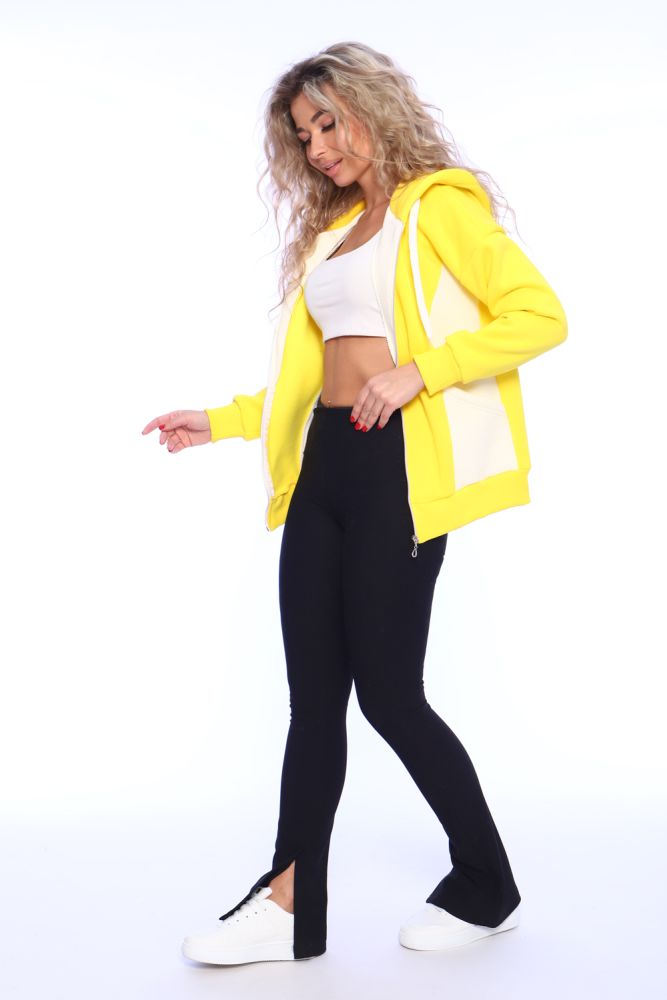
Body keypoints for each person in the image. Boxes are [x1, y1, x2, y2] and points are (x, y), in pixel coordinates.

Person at [142, 41, 567, 965]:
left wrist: (423, 371)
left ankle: (487, 883)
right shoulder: (332, 235)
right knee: (313, 702)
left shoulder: (438, 207)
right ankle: (291, 904)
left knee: (389, 696)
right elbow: (311, 380)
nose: (318, 147)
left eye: (328, 123)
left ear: (372, 108)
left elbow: (539, 314)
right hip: (324, 467)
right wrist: (220, 422)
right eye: (303, 135)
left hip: (394, 470)